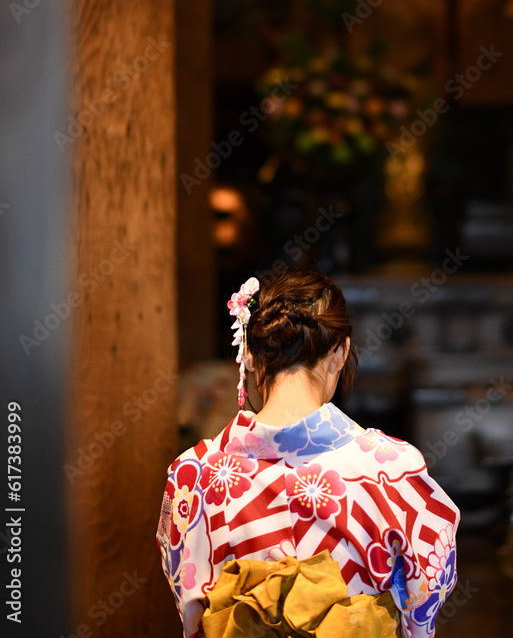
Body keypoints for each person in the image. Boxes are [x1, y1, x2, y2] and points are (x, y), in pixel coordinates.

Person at [157, 268, 459, 638]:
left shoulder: (192, 475)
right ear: (340, 352)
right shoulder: (395, 470)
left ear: (248, 354)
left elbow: (189, 610)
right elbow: (424, 602)